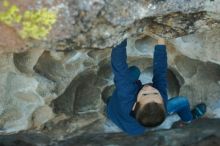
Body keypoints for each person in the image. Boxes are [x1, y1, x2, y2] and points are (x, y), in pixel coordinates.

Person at [106, 38, 206, 136]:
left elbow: (119, 67)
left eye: (145, 94)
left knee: (182, 102)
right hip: (115, 113)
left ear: (134, 105)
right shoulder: (161, 99)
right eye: (155, 93)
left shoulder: (127, 94)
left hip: (117, 113)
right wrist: (161, 44)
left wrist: (121, 38)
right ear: (163, 103)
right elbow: (160, 73)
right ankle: (187, 119)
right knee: (182, 102)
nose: (150, 89)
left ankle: (188, 119)